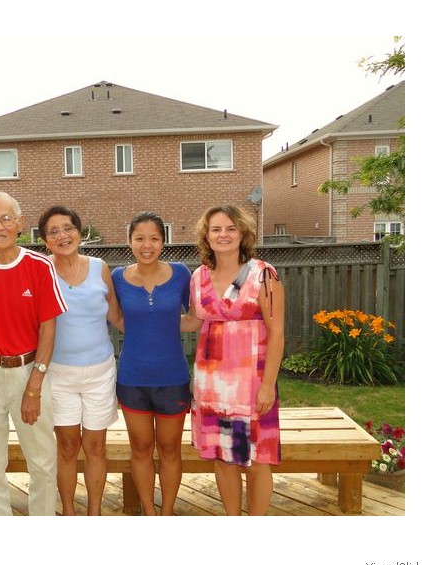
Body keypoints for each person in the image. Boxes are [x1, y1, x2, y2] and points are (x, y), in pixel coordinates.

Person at [0, 191, 68, 516]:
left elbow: (49, 329)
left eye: (6, 218)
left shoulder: (40, 266)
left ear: (20, 223)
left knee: (42, 462)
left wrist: (34, 386)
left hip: (29, 372)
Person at [184, 204, 285, 516]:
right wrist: (148, 316)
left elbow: (277, 332)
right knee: (222, 457)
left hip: (252, 382)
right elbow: (193, 321)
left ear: (242, 233)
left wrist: (268, 385)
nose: (223, 234)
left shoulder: (262, 274)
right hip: (212, 383)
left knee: (258, 460)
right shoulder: (198, 276)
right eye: (216, 229)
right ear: (207, 236)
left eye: (230, 228)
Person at [37, 205, 123, 516]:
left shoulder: (100, 267)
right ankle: (70, 513)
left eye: (68, 228)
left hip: (100, 372)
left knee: (96, 446)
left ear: (79, 231)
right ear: (45, 240)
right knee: (68, 446)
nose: (63, 235)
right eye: (54, 231)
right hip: (58, 374)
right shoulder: (40, 270)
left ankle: (94, 513)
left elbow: (115, 315)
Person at [111, 211, 191, 516]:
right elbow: (116, 316)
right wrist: (143, 327)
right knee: (141, 449)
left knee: (170, 449)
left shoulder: (182, 273)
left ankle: (167, 512)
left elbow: (195, 317)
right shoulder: (118, 277)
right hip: (132, 378)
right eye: (140, 238)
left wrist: (165, 324)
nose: (147, 245)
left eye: (154, 238)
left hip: (172, 378)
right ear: (130, 241)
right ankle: (148, 511)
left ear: (163, 241)